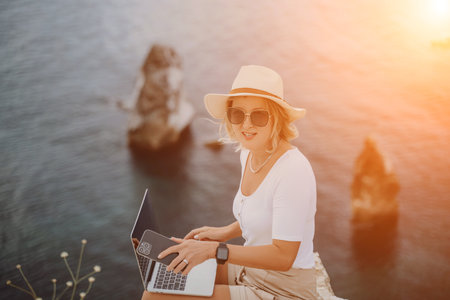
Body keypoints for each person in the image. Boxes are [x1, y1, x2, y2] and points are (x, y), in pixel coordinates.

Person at [142, 65, 318, 300]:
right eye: (237, 114)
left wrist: (214, 250)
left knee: (154, 298)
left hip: (285, 288)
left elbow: (283, 256)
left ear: (277, 118)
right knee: (171, 270)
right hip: (252, 271)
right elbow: (263, 214)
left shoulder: (293, 171)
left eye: (258, 115)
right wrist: (224, 233)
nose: (246, 125)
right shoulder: (248, 154)